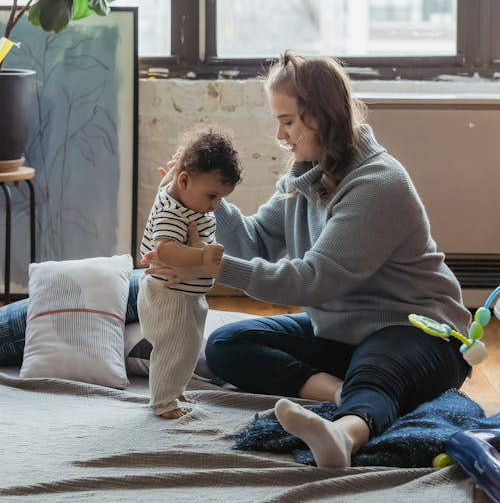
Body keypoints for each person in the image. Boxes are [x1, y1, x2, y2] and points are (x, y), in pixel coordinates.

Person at [144, 52, 471, 464]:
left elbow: (313, 281)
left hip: (418, 330)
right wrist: (206, 198)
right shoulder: (304, 176)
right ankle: (341, 392)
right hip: (342, 331)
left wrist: (211, 264)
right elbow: (255, 241)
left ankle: (343, 435)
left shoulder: (378, 184)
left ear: (321, 115)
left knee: (378, 368)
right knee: (227, 344)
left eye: (287, 121)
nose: (281, 136)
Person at [138, 125, 242, 419]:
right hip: (170, 296)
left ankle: (175, 388)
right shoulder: (173, 212)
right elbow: (165, 250)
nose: (215, 205)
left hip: (189, 295)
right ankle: (163, 402)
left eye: (220, 198)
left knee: (190, 345)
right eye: (211, 196)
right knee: (175, 346)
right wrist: (202, 255)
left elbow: (180, 175)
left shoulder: (185, 196)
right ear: (183, 181)